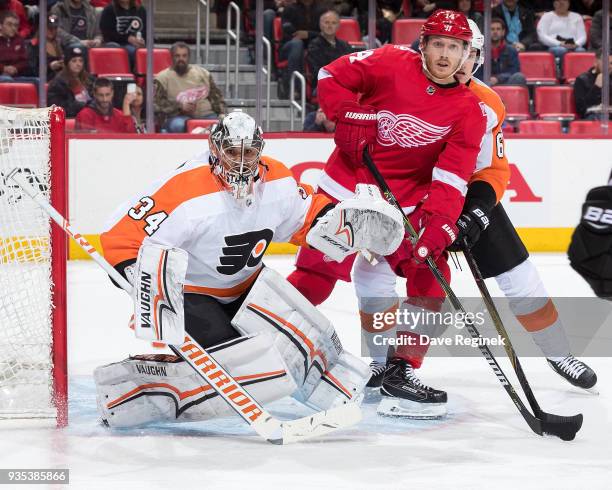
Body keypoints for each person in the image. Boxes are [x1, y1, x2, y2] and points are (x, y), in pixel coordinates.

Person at [93, 110, 404, 428]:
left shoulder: (277, 179)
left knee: (306, 345)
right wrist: (138, 277)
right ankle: (133, 392)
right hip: (192, 295)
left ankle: (337, 394)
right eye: (232, 152)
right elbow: (121, 236)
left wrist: (342, 224)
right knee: (246, 368)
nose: (241, 161)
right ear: (215, 150)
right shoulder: (185, 190)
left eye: (249, 152)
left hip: (248, 287)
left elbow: (303, 218)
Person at [367, 20, 597, 405]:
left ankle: (559, 353)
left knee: (521, 276)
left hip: (465, 198)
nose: (459, 61)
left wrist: (476, 213)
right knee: (375, 273)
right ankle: (385, 364)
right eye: (450, 49)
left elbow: (492, 170)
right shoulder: (401, 87)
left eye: (469, 53)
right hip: (412, 200)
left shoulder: (487, 102)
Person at [287, 10, 487, 418]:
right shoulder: (390, 61)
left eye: (454, 47)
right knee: (315, 275)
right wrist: (347, 112)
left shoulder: (469, 110)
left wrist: (438, 226)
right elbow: (329, 75)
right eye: (438, 45)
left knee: (431, 274)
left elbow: (451, 179)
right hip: (349, 187)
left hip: (406, 206)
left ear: (466, 52)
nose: (445, 55)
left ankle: (400, 368)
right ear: (423, 45)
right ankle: (268, 348)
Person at [154, 42, 226, 133]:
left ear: (189, 57)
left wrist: (222, 113)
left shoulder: (203, 73)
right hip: (178, 117)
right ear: (172, 57)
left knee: (223, 124)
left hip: (207, 115)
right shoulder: (162, 78)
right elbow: (156, 105)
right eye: (177, 56)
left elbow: (216, 97)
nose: (181, 59)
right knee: (177, 126)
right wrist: (179, 107)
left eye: (184, 56)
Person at [279, 0, 331, 98]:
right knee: (297, 44)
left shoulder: (322, 11)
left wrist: (307, 34)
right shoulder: (290, 9)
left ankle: (319, 88)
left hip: (314, 45)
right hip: (289, 45)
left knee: (321, 46)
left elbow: (326, 33)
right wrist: (302, 34)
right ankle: (295, 87)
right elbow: (288, 30)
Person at [306, 10, 352, 94]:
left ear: (338, 26)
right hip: (323, 85)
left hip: (345, 84)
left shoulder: (345, 45)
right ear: (320, 25)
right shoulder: (314, 45)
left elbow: (351, 68)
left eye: (333, 23)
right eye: (326, 22)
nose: (330, 26)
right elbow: (318, 72)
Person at [29, 14, 81, 81]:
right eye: (49, 28)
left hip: (62, 78)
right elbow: (32, 70)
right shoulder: (34, 45)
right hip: (45, 80)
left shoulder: (60, 44)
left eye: (55, 28)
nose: (52, 31)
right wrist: (49, 67)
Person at [47, 45, 94, 117]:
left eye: (81, 61)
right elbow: (58, 109)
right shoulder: (58, 84)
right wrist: (83, 106)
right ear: (67, 63)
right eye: (74, 61)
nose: (78, 64)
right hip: (71, 119)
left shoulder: (90, 79)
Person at [99, 0, 146, 66]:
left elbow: (146, 31)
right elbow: (107, 34)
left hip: (139, 44)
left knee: (150, 52)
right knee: (132, 51)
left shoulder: (141, 10)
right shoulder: (109, 10)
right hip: (118, 44)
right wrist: (127, 38)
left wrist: (143, 41)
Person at [573, 47, 612, 120]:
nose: (609, 66)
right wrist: (596, 87)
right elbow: (581, 109)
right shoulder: (582, 80)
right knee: (600, 117)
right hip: (593, 118)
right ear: (596, 62)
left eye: (611, 63)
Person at [489, 17, 527, 86]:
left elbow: (514, 71)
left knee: (519, 77)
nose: (495, 32)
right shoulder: (481, 51)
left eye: (498, 29)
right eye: (492, 29)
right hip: (486, 84)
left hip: (505, 83)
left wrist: (498, 78)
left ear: (503, 32)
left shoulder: (511, 50)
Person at [0, 11, 31, 81]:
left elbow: (24, 61)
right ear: (1, 25)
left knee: (38, 82)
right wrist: (3, 68)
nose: (13, 28)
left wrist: (15, 68)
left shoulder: (19, 40)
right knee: (7, 79)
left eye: (16, 25)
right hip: (1, 75)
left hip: (16, 76)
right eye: (9, 24)